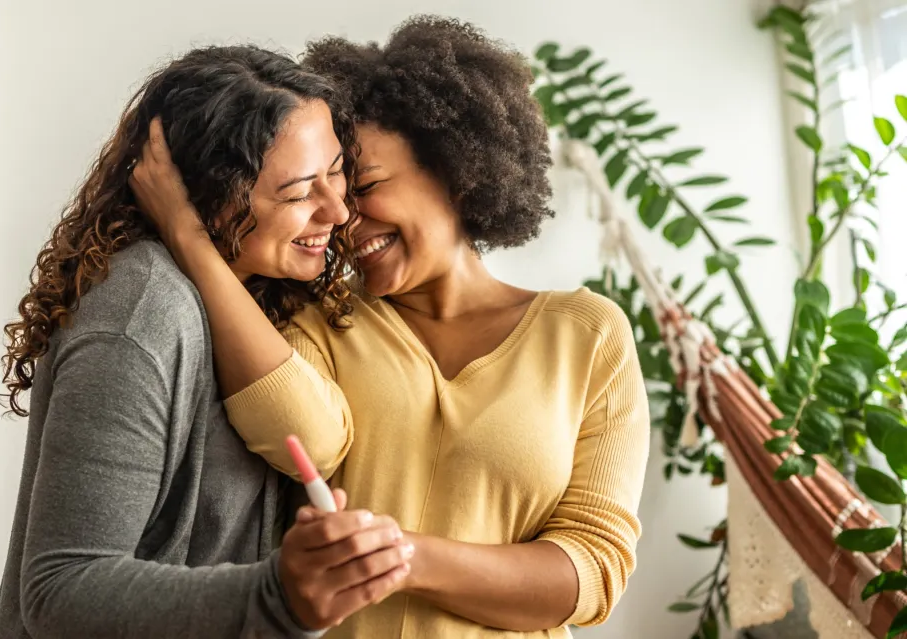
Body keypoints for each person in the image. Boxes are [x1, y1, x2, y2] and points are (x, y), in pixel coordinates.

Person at [130, 17, 651, 638]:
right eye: (329, 190)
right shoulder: (315, 316)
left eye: (366, 185)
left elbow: (590, 575)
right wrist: (192, 241)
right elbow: (299, 436)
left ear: (459, 169)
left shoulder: (589, 339)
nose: (343, 218)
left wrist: (399, 555)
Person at [0, 45, 416, 639]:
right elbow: (61, 591)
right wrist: (277, 597)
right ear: (215, 198)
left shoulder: (263, 297)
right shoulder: (142, 315)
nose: (339, 211)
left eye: (337, 170)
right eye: (296, 194)